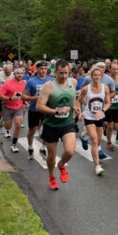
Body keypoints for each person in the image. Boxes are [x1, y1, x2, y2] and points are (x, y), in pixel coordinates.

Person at [36, 59, 80, 189]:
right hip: (51, 125)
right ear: (56, 72)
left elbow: (73, 99)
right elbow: (39, 106)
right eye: (61, 73)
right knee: (51, 157)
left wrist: (76, 107)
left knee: (70, 151)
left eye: (66, 73)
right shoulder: (49, 86)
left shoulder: (73, 82)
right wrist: (56, 111)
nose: (64, 76)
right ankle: (51, 175)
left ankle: (61, 165)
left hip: (67, 123)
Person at [77, 66, 111, 175]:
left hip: (100, 117)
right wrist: (80, 113)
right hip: (89, 116)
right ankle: (97, 166)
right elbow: (78, 101)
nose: (97, 77)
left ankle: (83, 136)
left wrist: (102, 110)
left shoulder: (105, 88)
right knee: (95, 140)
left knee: (99, 140)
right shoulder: (86, 88)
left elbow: (109, 103)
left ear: (101, 76)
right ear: (91, 76)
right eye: (95, 75)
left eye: (99, 75)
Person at [22, 60, 53, 160]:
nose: (43, 71)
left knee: (47, 129)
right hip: (34, 109)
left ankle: (43, 148)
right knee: (32, 129)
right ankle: (30, 147)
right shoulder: (32, 81)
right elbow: (23, 96)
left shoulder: (51, 80)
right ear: (37, 69)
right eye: (41, 69)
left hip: (47, 108)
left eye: (45, 69)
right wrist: (33, 98)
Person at [0, 67, 27, 153]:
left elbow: (25, 94)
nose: (20, 75)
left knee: (18, 124)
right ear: (14, 74)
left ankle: (14, 144)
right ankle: (6, 125)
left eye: (21, 73)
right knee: (8, 126)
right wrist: (10, 98)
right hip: (7, 106)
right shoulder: (8, 84)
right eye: (18, 73)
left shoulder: (25, 83)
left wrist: (25, 101)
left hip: (19, 107)